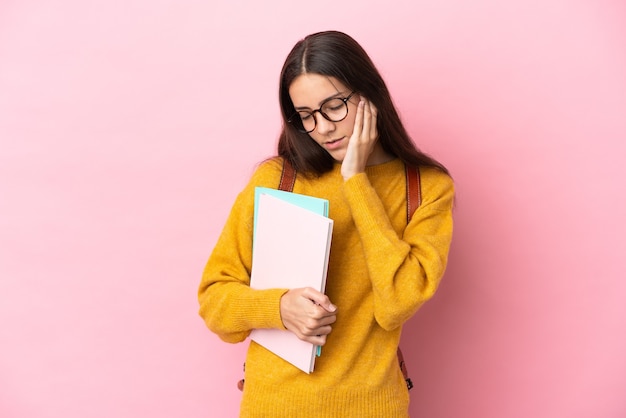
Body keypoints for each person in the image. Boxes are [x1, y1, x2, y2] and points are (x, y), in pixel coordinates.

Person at [198, 30, 454, 417]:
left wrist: (357, 181)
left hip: (372, 406)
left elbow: (396, 304)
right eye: (305, 116)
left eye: (334, 106)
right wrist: (279, 307)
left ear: (370, 94)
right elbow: (215, 303)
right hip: (275, 405)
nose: (323, 128)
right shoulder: (276, 179)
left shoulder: (427, 189)